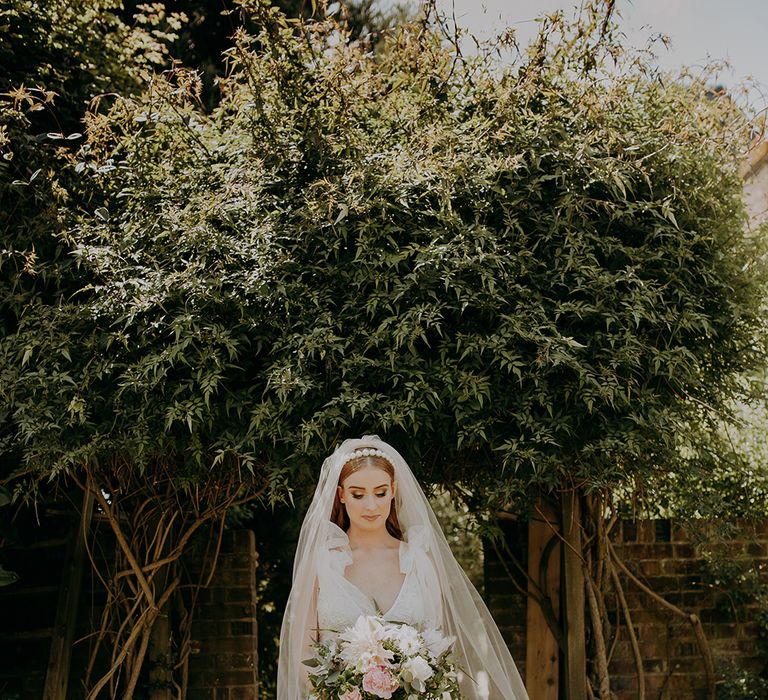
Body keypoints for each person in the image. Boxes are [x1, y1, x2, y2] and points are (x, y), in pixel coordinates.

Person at [277, 435, 530, 699]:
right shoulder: (321, 564)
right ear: (341, 495)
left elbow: (437, 647)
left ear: (393, 490)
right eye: (358, 494)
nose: (371, 505)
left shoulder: (420, 562)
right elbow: (301, 653)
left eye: (380, 492)